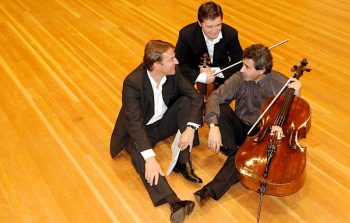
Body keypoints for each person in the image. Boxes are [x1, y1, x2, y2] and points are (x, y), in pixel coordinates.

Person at [193, 44, 302, 206]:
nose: (242, 69)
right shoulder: (240, 77)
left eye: (247, 67)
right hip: (240, 127)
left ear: (262, 70)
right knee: (221, 108)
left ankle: (211, 189)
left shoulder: (281, 84)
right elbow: (215, 97)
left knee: (238, 157)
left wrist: (297, 94)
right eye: (243, 64)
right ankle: (238, 155)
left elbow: (294, 116)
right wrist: (214, 127)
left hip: (261, 135)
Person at [110, 40, 204, 223]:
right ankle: (174, 202)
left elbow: (196, 97)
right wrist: (150, 158)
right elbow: (135, 124)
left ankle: (182, 162)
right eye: (171, 59)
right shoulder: (133, 82)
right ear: (156, 65)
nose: (176, 62)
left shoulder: (173, 73)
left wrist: (191, 128)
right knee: (140, 153)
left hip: (162, 121)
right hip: (141, 129)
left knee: (186, 102)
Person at [175, 1, 243, 88]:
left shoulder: (231, 34)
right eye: (209, 27)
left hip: (221, 73)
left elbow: (238, 61)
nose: (215, 31)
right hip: (194, 73)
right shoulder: (186, 34)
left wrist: (215, 71)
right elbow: (179, 63)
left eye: (218, 25)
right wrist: (200, 76)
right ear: (200, 23)